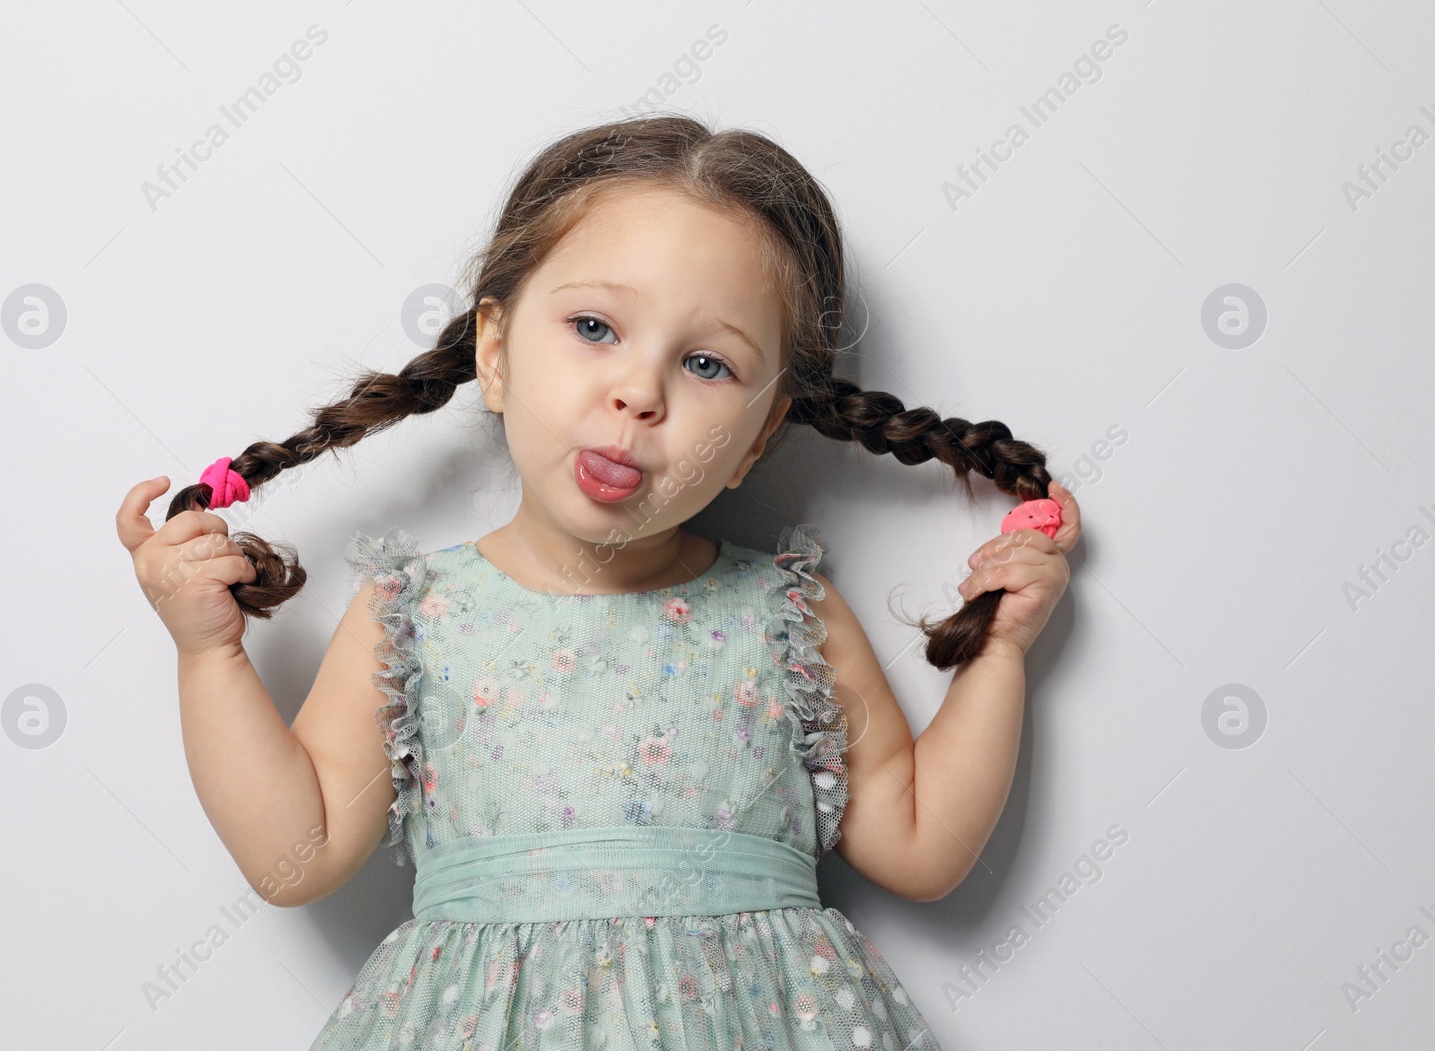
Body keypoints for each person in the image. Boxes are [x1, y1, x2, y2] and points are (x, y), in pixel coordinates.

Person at [117, 113, 1082, 1049]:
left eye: (706, 362)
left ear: (757, 436)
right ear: (493, 353)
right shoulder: (417, 614)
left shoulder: (785, 611)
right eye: (593, 326)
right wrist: (209, 655)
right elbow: (303, 850)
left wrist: (1000, 648)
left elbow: (919, 846)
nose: (639, 392)